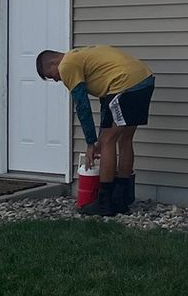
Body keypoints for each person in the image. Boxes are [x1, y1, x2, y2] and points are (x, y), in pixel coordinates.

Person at [36, 46, 154, 216]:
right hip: (144, 79)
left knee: (108, 142)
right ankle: (120, 199)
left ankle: (104, 203)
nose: (55, 80)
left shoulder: (67, 65)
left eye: (50, 76)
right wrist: (97, 138)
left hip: (125, 83)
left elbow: (82, 106)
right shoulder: (81, 56)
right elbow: (106, 103)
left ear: (53, 63)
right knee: (124, 139)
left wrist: (91, 143)